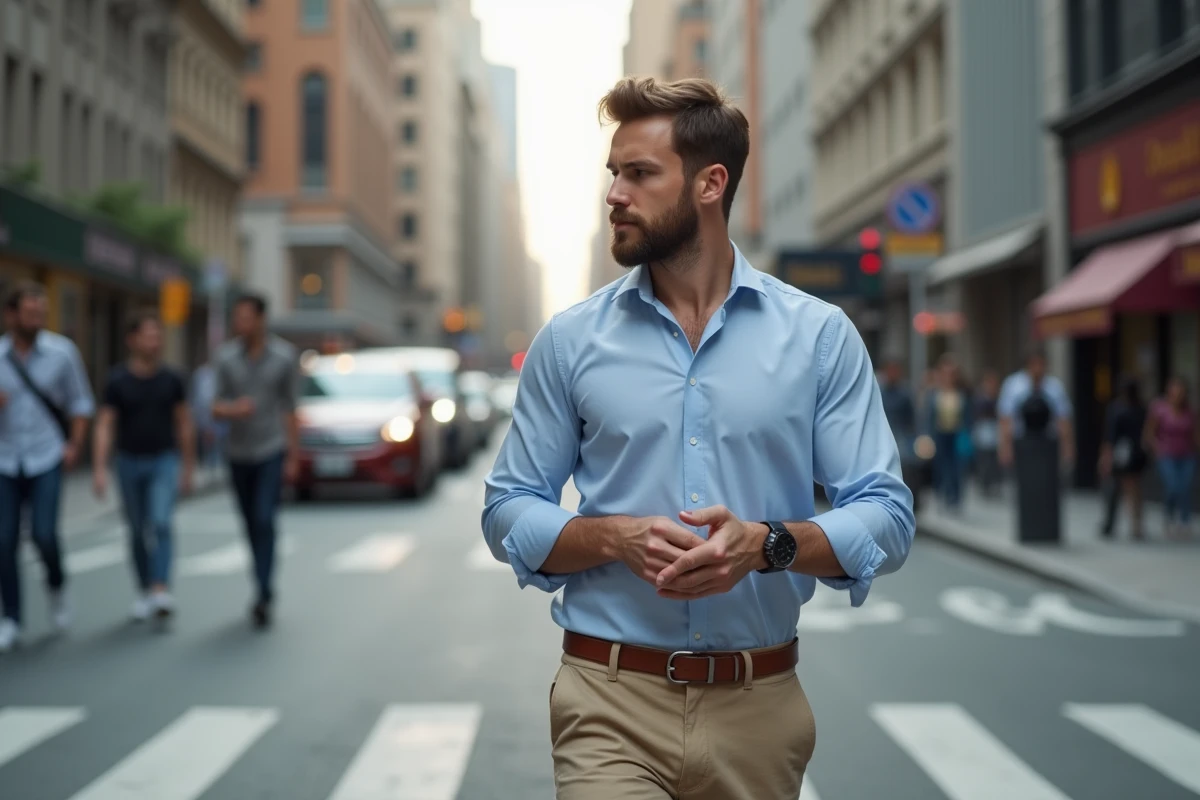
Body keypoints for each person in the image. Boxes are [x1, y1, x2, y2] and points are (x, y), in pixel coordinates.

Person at [482, 76, 915, 800]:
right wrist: (614, 537)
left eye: (640, 174)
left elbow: (885, 513)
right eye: (613, 173)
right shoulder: (570, 340)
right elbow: (508, 508)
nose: (615, 193)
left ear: (711, 184)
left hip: (759, 704)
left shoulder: (818, 337)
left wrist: (767, 544)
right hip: (608, 698)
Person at [0, 281, 95, 653]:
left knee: (43, 534)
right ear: (12, 315)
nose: (37, 320)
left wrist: (74, 445)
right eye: (29, 313)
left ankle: (56, 587)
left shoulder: (61, 353)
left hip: (46, 456)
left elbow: (81, 403)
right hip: (5, 459)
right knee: (3, 540)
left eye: (41, 313)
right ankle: (12, 617)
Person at [92, 310, 195, 621]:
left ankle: (160, 589)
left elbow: (184, 423)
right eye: (148, 335)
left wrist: (188, 467)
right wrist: (98, 467)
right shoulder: (117, 380)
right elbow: (105, 424)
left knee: (161, 523)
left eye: (157, 335)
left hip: (164, 459)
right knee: (137, 531)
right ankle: (144, 589)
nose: (155, 341)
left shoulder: (172, 379)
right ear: (132, 340)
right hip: (128, 462)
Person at [212, 293, 299, 629]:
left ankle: (263, 591)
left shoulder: (284, 357)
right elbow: (214, 406)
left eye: (247, 318)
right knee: (250, 523)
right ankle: (260, 581)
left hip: (270, 449)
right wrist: (234, 409)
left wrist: (293, 455)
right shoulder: (225, 358)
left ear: (261, 319)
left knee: (265, 518)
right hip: (237, 452)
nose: (240, 324)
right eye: (237, 318)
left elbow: (290, 408)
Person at [997, 347, 1074, 542]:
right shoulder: (1014, 385)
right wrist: (1005, 448)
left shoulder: (1054, 387)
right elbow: (1006, 420)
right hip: (1024, 446)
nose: (1038, 369)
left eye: (1042, 364)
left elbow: (1063, 420)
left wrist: (1067, 448)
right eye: (1035, 364)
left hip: (1047, 447)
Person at [1144, 376, 1198, 539]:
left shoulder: (1190, 411)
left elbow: (1195, 434)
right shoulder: (1159, 408)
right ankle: (1169, 517)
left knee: (1185, 487)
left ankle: (1185, 521)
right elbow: (1149, 431)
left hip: (1187, 454)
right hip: (1166, 454)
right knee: (1173, 485)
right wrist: (1156, 447)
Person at [1098, 376, 1148, 540]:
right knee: (1134, 488)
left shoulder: (1117, 408)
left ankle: (1126, 524)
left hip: (1122, 452)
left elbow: (1110, 435)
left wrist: (1106, 456)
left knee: (1121, 488)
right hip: (1137, 452)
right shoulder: (1141, 408)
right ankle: (1136, 524)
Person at [924, 354, 973, 512]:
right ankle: (943, 496)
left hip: (957, 434)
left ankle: (956, 498)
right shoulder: (934, 393)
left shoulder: (962, 393)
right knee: (941, 466)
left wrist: (968, 433)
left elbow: (968, 416)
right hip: (940, 434)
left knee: (957, 467)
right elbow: (928, 416)